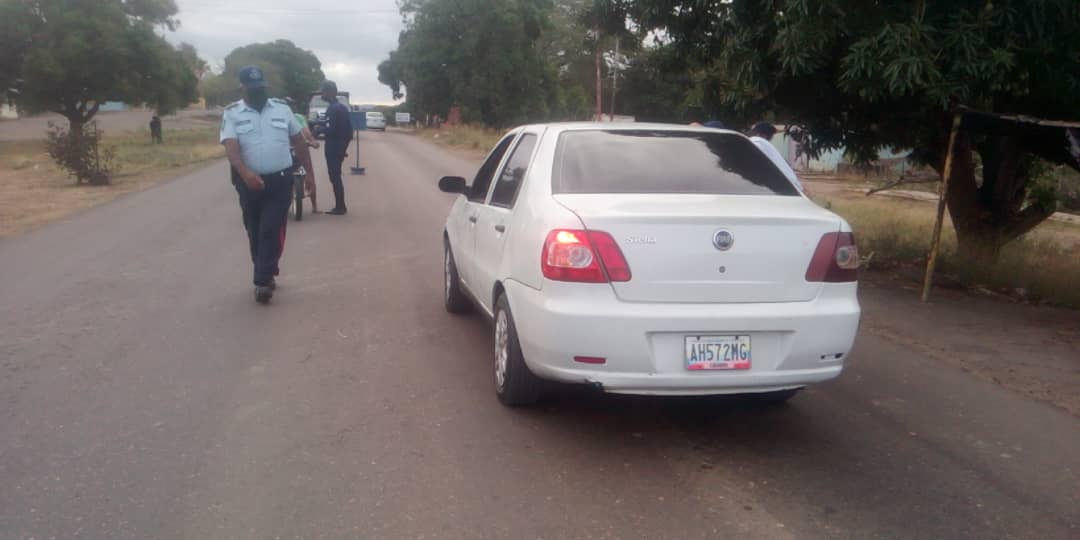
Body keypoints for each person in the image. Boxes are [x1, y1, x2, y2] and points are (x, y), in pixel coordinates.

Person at [221, 65, 315, 304]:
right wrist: (245, 173)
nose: (257, 92)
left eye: (260, 88)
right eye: (252, 89)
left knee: (270, 229)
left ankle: (262, 281)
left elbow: (300, 142)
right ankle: (266, 268)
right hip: (248, 182)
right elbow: (231, 147)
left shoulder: (282, 110)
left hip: (280, 180)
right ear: (242, 88)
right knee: (253, 230)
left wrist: (310, 174)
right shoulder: (232, 113)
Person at [319, 80, 352, 215]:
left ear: (330, 92)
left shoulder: (334, 109)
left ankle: (340, 207)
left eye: (324, 91)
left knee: (335, 177)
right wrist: (344, 148)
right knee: (335, 176)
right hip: (339, 147)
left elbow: (331, 129)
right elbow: (349, 131)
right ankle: (340, 205)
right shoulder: (341, 108)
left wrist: (317, 131)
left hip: (333, 147)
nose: (322, 94)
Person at [748, 121, 806, 194]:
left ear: (758, 133)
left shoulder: (757, 143)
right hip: (792, 187)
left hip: (786, 188)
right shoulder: (765, 145)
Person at [285, 97, 320, 213]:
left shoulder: (299, 118)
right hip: (284, 151)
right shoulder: (277, 118)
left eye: (291, 106)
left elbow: (306, 131)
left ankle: (314, 206)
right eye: (287, 106)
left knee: (310, 174)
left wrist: (312, 141)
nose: (289, 109)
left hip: (300, 148)